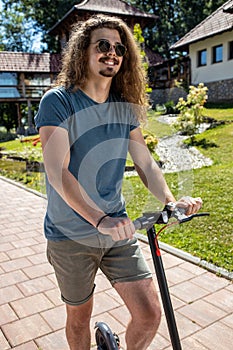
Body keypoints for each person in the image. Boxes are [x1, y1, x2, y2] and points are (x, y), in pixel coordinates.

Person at [35, 14, 202, 350]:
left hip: (118, 233)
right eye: (103, 45)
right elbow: (57, 171)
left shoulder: (123, 108)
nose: (112, 52)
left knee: (149, 314)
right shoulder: (59, 101)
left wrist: (169, 202)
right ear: (84, 51)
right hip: (71, 235)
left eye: (119, 48)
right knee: (79, 318)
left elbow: (145, 163)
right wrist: (99, 219)